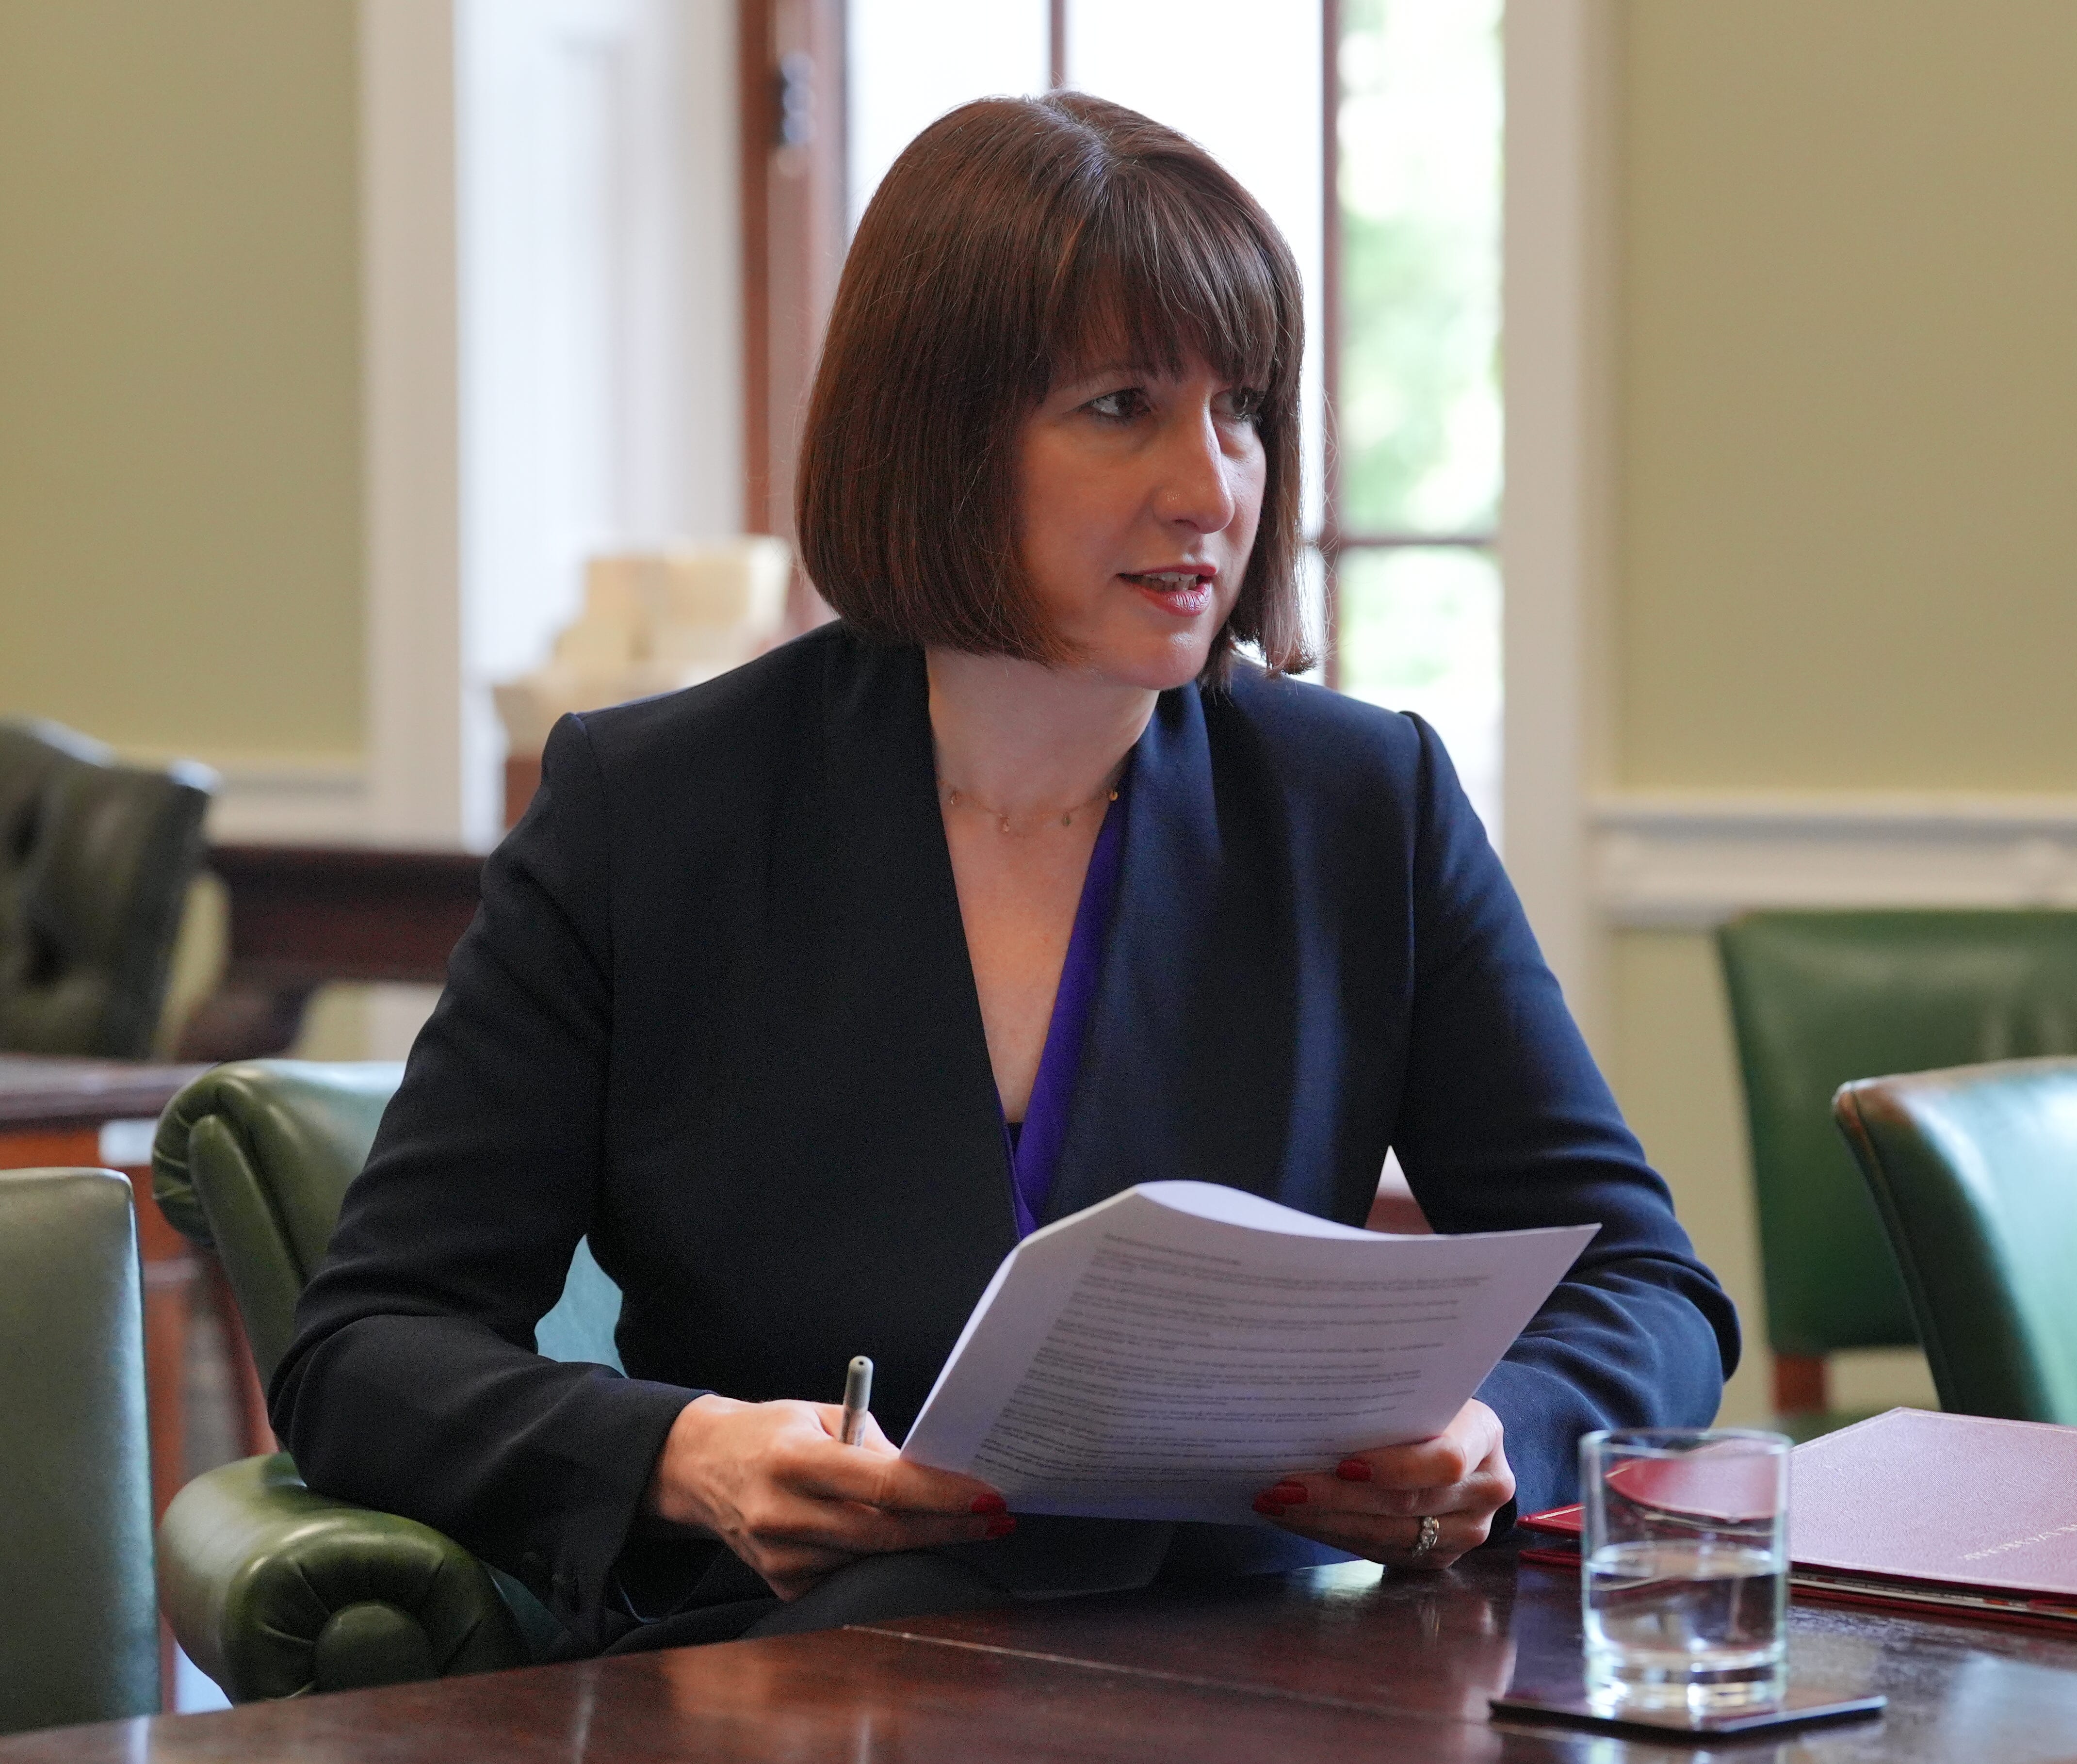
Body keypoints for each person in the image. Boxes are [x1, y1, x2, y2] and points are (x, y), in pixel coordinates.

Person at [273, 92, 1738, 1656]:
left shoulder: (1362, 802)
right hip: (804, 1679)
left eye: (1239, 410)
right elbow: (366, 1351)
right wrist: (687, 1456)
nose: (1211, 486)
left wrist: (1490, 1427)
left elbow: (1650, 1287)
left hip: (1259, 1676)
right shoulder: (652, 812)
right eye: (1121, 406)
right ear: (939, 433)